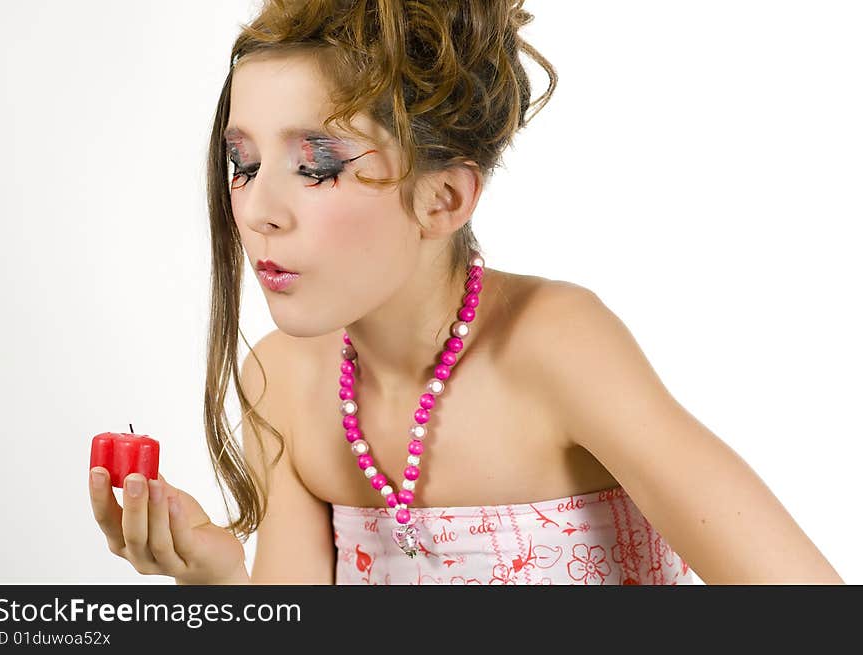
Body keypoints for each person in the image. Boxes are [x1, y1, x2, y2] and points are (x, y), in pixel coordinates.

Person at [89, 0, 845, 585]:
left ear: (443, 199)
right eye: (243, 162)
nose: (257, 209)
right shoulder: (282, 382)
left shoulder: (556, 345)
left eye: (317, 164)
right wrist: (225, 579)